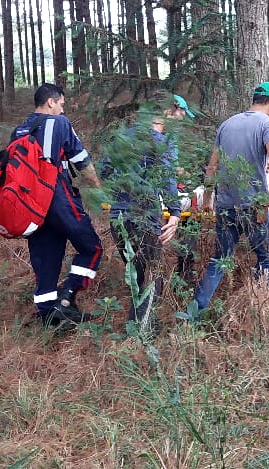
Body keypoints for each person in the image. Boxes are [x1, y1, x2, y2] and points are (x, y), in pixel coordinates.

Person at [190, 81, 269, 316]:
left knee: (219, 259)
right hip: (254, 206)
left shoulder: (227, 124)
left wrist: (207, 200)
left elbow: (211, 167)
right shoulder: (268, 124)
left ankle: (193, 315)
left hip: (225, 205)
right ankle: (257, 312)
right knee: (267, 258)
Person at [11, 83, 103, 327]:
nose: (62, 109)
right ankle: (67, 296)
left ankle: (48, 316)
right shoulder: (60, 123)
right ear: (51, 102)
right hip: (55, 195)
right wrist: (99, 190)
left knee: (46, 258)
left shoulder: (19, 131)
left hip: (30, 206)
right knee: (91, 247)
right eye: (61, 103)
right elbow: (81, 160)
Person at [106, 99, 194, 326]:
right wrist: (175, 213)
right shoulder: (157, 142)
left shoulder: (123, 137)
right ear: (169, 112)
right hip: (143, 217)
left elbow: (104, 172)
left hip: (118, 216)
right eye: (180, 118)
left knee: (135, 272)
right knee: (152, 275)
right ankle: (142, 333)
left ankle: (136, 326)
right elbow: (167, 178)